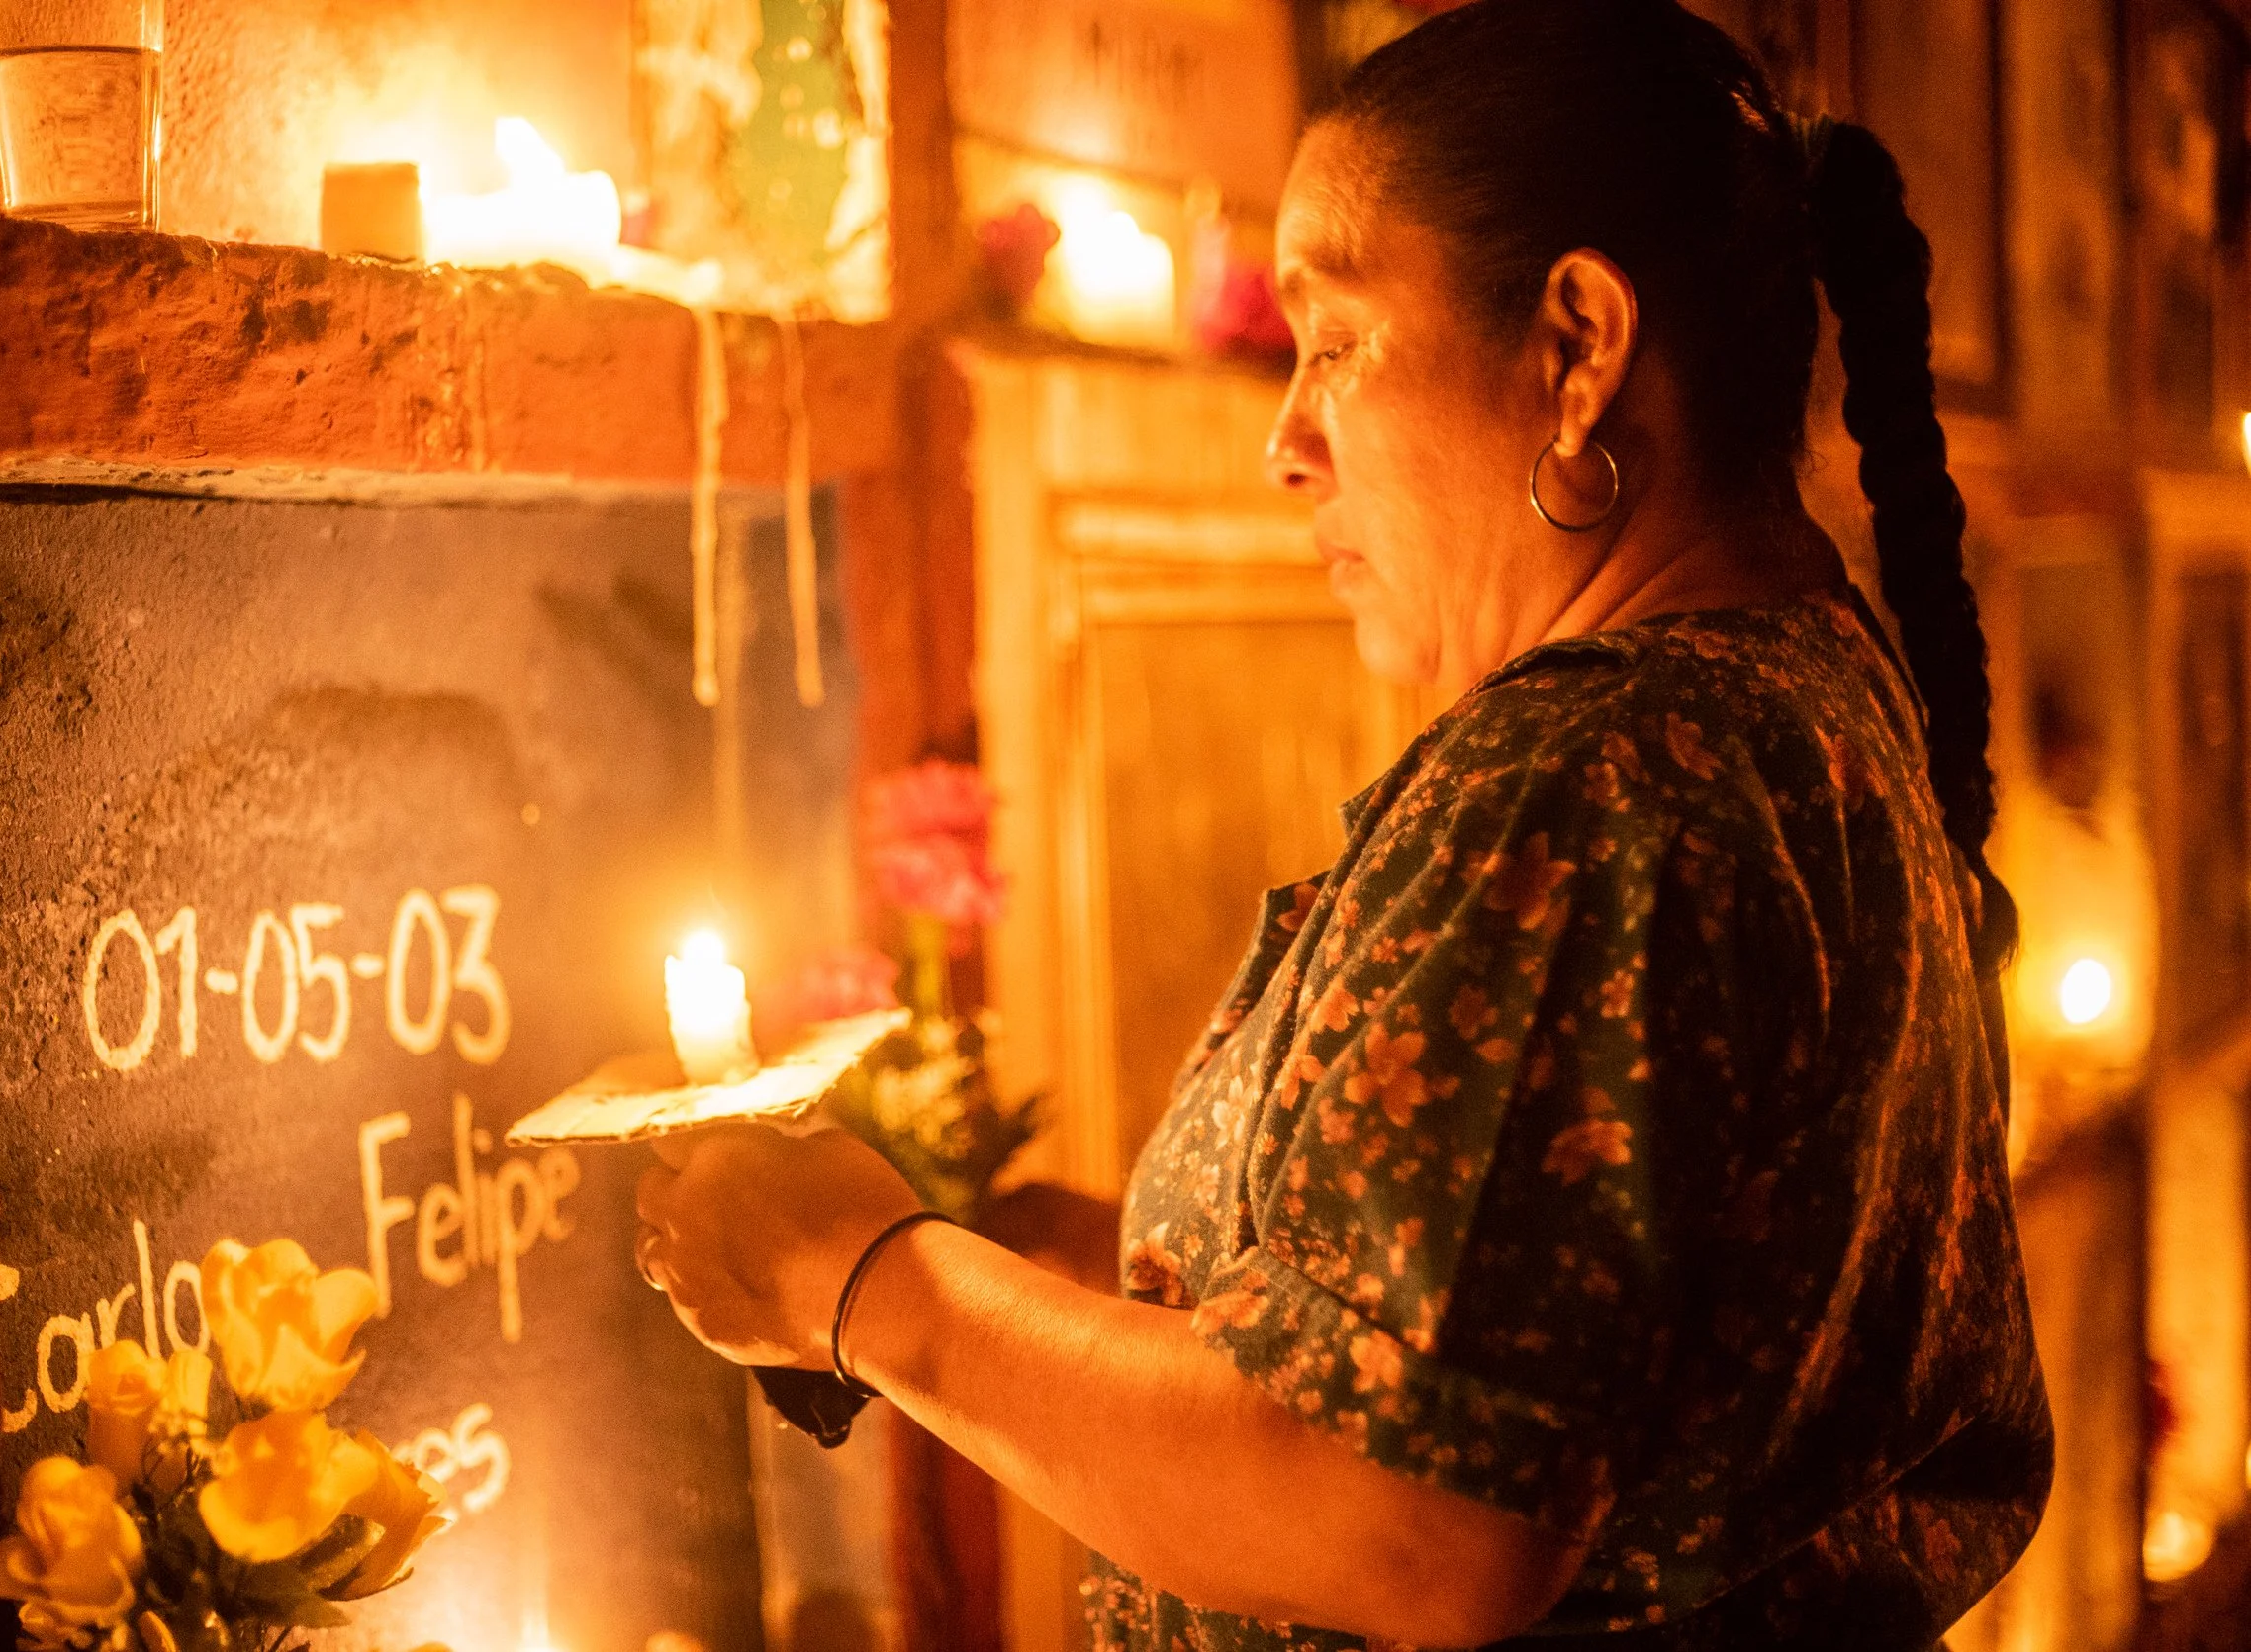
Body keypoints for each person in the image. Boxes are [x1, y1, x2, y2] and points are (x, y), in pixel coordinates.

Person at [630, 1, 2053, 1645]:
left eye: (1337, 339)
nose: (1286, 441)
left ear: (1576, 347)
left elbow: (1410, 1516)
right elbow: (1535, 1345)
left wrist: (870, 1282)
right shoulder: (1789, 693)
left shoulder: (1599, 778)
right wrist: (1035, 1265)